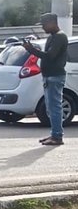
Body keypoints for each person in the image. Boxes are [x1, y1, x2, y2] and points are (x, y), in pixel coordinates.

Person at [23, 12, 69, 146]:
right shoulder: (52, 37)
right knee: (51, 107)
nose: (43, 27)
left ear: (52, 23)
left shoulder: (60, 37)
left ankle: (57, 136)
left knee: (54, 107)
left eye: (44, 24)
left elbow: (50, 56)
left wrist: (31, 50)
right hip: (49, 76)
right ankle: (54, 134)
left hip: (55, 76)